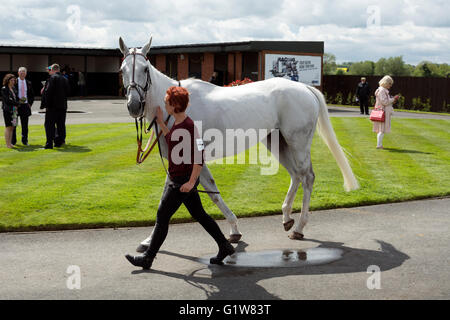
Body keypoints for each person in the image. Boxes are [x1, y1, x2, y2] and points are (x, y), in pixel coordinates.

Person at [125, 86, 235, 270]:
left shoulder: (190, 126)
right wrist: (161, 123)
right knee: (199, 214)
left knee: (162, 215)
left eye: (167, 102)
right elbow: (172, 142)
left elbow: (200, 155)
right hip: (181, 179)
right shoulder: (177, 123)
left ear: (175, 105)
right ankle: (224, 246)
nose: (165, 104)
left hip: (181, 182)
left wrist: (191, 182)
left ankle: (148, 258)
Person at [42, 64, 70, 149]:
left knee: (49, 125)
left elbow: (48, 93)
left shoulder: (52, 78)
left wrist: (45, 104)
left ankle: (49, 144)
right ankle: (58, 143)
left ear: (53, 70)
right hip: (62, 106)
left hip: (52, 107)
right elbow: (68, 92)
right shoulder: (65, 79)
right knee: (60, 125)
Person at [372, 75, 400, 149]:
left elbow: (385, 101)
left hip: (381, 111)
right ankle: (379, 145)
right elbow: (384, 102)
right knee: (382, 129)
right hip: (383, 112)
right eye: (389, 84)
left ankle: (379, 144)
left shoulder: (381, 90)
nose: (390, 86)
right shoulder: (382, 90)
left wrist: (392, 99)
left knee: (381, 129)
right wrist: (393, 99)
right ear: (385, 83)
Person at [11, 67, 35, 146]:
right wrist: (16, 103)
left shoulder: (28, 82)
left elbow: (31, 95)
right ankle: (13, 141)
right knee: (14, 124)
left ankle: (25, 141)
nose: (22, 74)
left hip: (25, 106)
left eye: (24, 72)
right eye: (21, 72)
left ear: (26, 73)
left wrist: (30, 104)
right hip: (15, 106)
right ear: (18, 73)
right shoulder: (14, 82)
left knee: (25, 125)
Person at [1, 74, 19, 148]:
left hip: (15, 110)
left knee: (13, 126)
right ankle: (8, 144)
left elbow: (16, 98)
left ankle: (10, 143)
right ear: (7, 81)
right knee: (8, 126)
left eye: (14, 80)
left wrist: (19, 101)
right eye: (11, 80)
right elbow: (7, 100)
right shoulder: (4, 89)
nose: (13, 82)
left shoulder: (14, 88)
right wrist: (17, 103)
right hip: (8, 110)